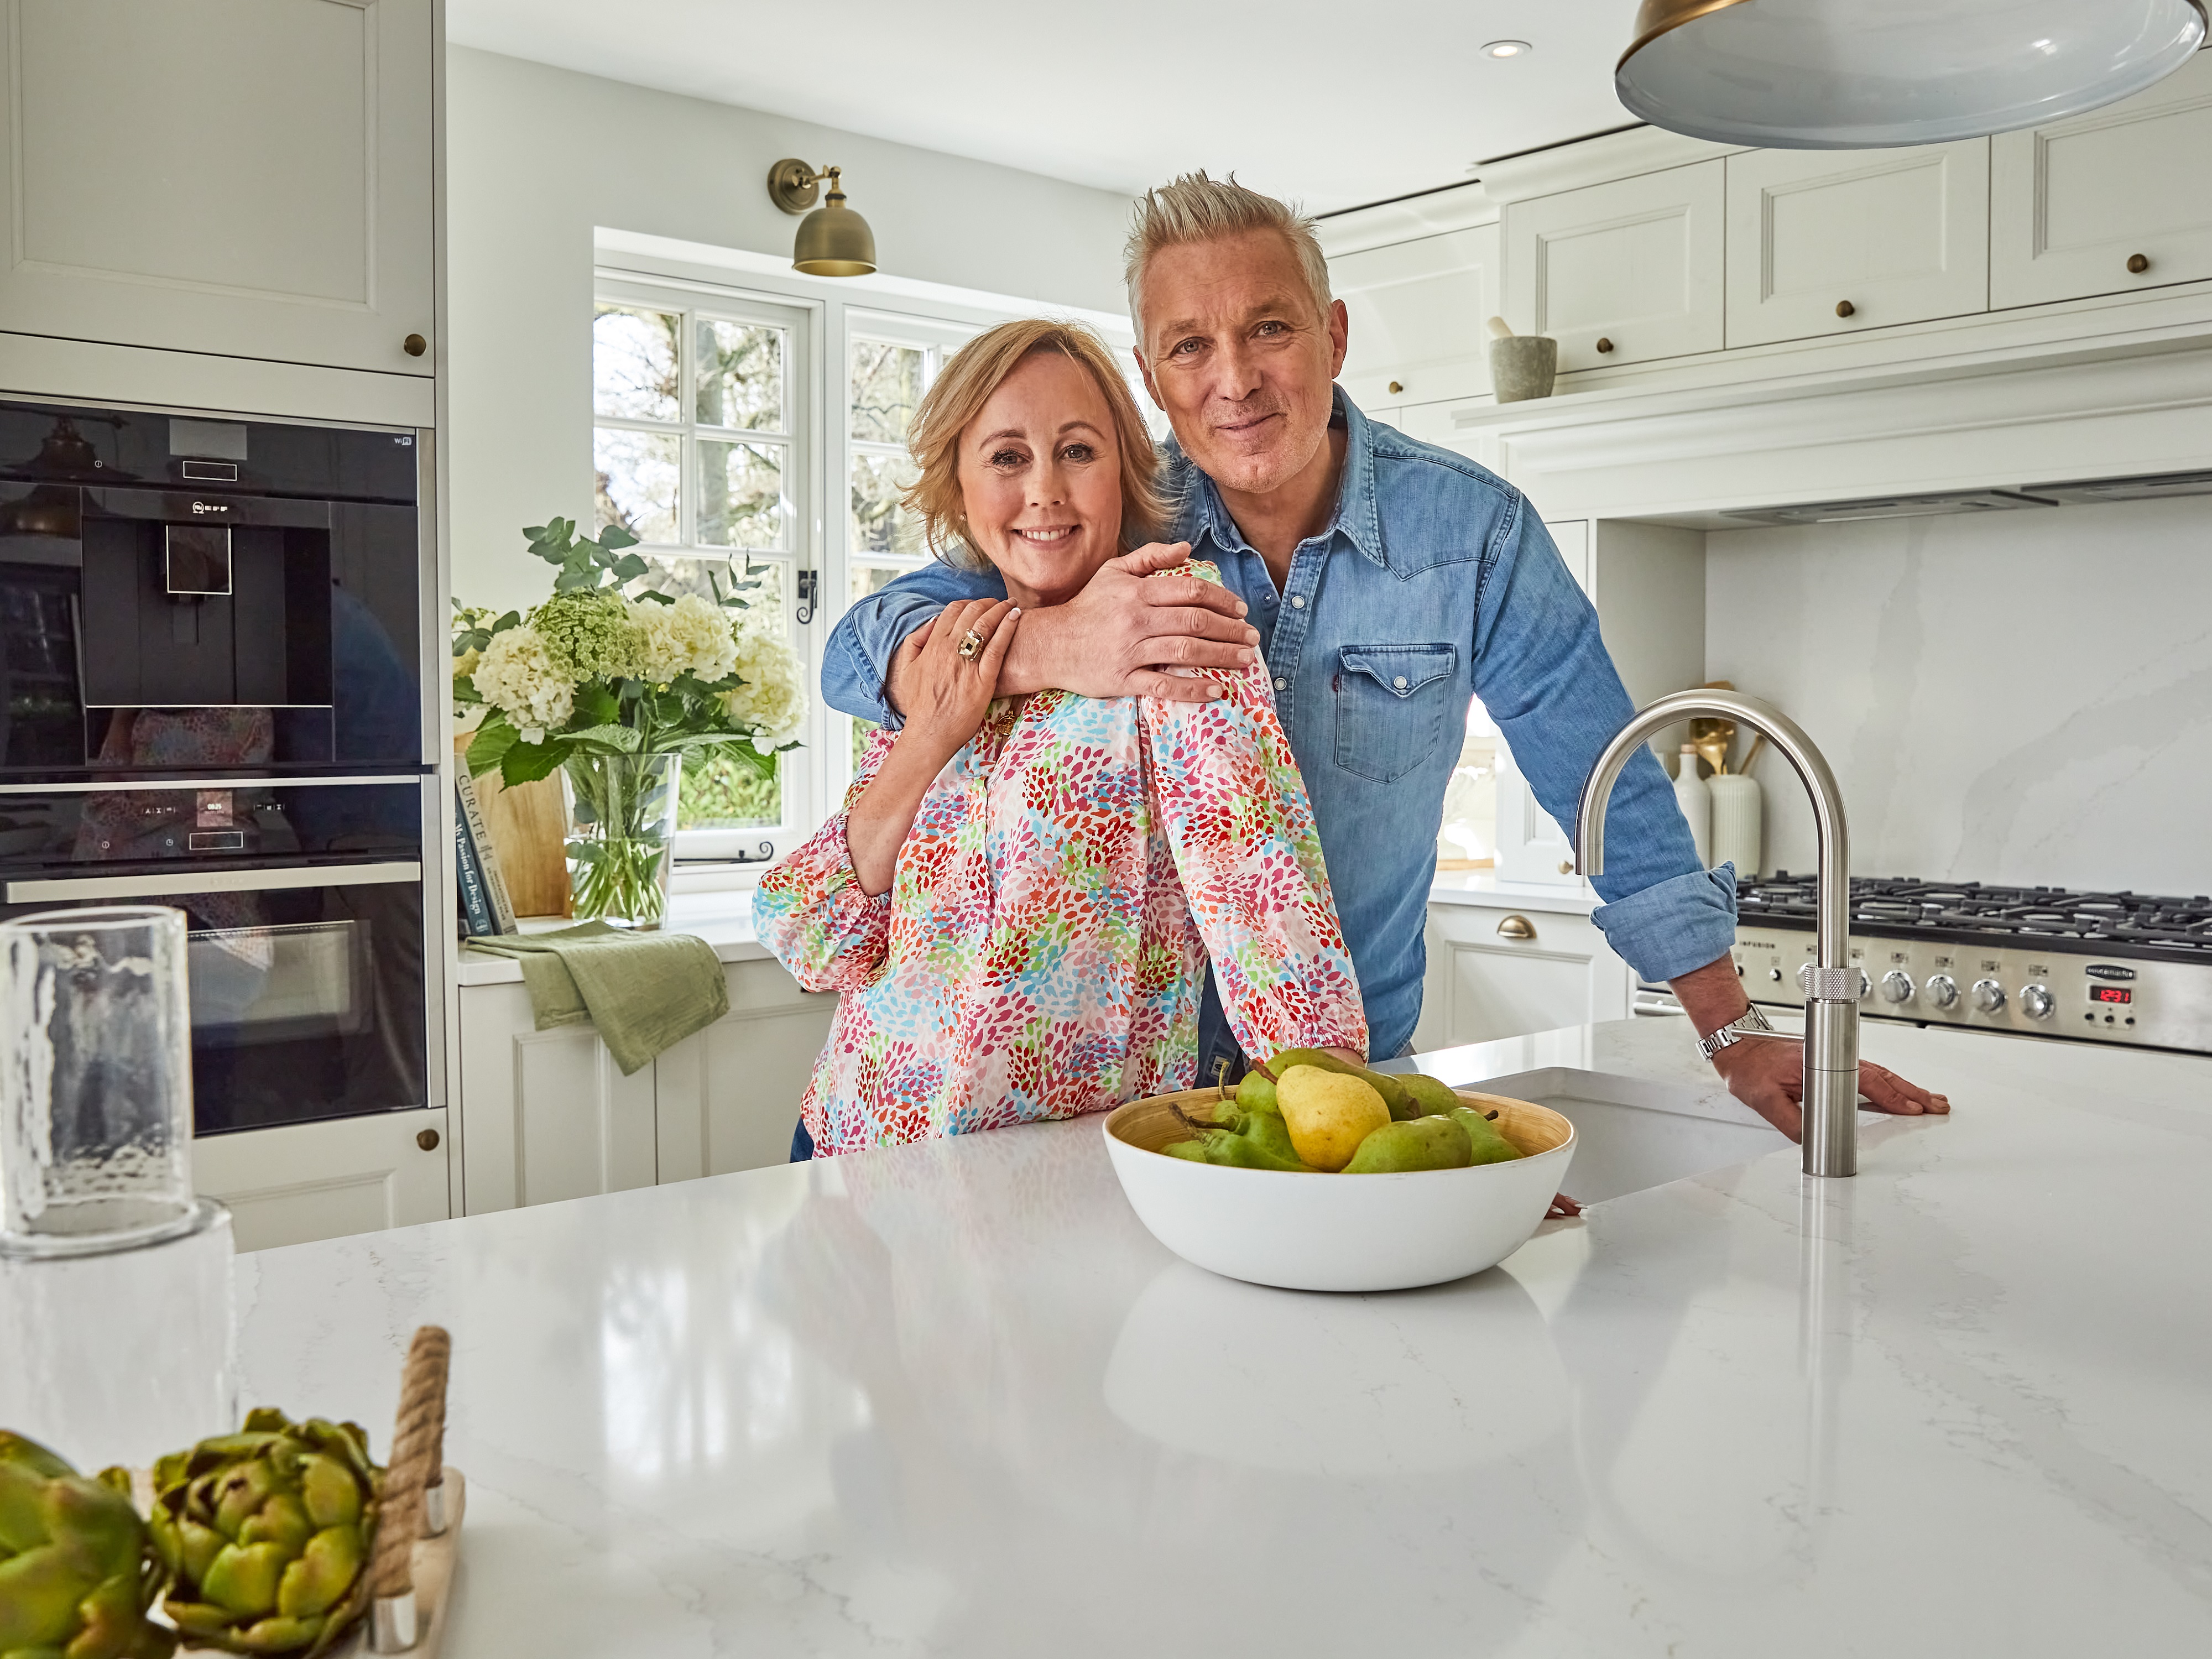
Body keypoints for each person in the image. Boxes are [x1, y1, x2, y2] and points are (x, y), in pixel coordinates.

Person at [821, 174, 1949, 1143]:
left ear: (1334, 336)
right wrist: (1052, 638)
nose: (1234, 379)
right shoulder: (1108, 513)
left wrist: (1733, 1028)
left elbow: (1598, 776)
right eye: (1189, 347)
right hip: (1127, 1096)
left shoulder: (1472, 536)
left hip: (1345, 1083)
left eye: (1268, 328)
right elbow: (859, 654)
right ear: (1153, 376)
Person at [755, 319, 1366, 1159]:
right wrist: (934, 733)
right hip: (847, 1149)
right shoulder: (945, 646)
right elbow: (816, 938)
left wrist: (1369, 1151)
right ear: (959, 487)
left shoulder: (1171, 624)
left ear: (1125, 473)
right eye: (1007, 458)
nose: (1044, 490)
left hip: (1053, 1179)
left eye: (1078, 451)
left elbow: (1266, 911)